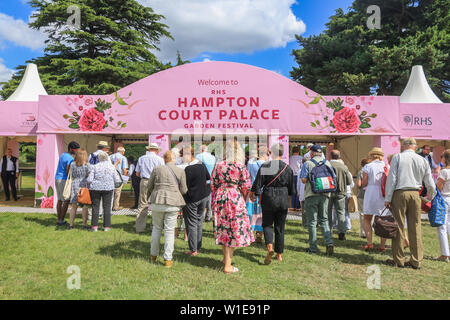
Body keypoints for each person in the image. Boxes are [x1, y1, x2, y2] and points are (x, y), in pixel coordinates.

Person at [385, 138, 436, 269]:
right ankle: (416, 261)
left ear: (404, 146)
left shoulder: (398, 157)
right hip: (415, 193)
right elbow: (429, 181)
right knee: (415, 227)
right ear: (415, 147)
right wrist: (430, 196)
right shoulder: (423, 160)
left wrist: (388, 198)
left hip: (400, 193)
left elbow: (392, 178)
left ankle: (399, 259)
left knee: (398, 226)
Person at [211, 139, 254, 274]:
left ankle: (225, 259)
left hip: (221, 196)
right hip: (235, 197)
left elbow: (213, 184)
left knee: (224, 228)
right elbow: (246, 186)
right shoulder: (240, 166)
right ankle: (228, 266)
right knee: (233, 229)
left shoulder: (218, 165)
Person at [250, 143, 295, 264]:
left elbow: (257, 183)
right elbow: (292, 189)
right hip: (283, 198)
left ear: (272, 153)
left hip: (268, 197)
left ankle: (270, 247)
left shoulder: (266, 166)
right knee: (280, 227)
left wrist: (253, 194)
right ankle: (279, 254)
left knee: (267, 224)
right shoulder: (288, 168)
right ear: (282, 153)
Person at [149, 150, 188, 268]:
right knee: (170, 231)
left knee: (156, 228)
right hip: (173, 202)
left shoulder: (157, 169)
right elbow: (184, 190)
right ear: (174, 159)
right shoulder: (180, 171)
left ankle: (153, 255)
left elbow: (150, 186)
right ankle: (168, 259)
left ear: (164, 159)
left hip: (157, 201)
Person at [299, 144, 335, 255]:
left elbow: (303, 180)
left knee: (312, 222)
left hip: (311, 194)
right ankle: (329, 242)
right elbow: (333, 177)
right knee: (324, 219)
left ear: (311, 153)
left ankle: (313, 247)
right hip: (325, 194)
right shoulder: (328, 163)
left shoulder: (308, 163)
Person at [183, 146, 211, 256]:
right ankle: (198, 247)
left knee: (191, 223)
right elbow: (207, 178)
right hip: (203, 196)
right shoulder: (202, 165)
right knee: (199, 221)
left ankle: (193, 249)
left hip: (192, 199)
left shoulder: (188, 169)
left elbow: (184, 186)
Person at [360, 148, 389, 251]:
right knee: (383, 219)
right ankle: (382, 245)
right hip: (383, 193)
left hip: (371, 192)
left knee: (367, 218)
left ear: (371, 156)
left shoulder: (368, 166)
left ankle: (369, 243)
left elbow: (364, 183)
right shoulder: (386, 166)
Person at [87, 151, 121, 232]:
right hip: (108, 188)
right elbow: (117, 179)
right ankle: (106, 227)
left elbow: (89, 179)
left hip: (95, 188)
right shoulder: (112, 167)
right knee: (107, 207)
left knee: (95, 207)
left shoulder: (95, 167)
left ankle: (94, 227)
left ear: (99, 158)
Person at [135, 143, 164, 233]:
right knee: (156, 204)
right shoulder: (160, 159)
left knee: (142, 204)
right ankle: (154, 226)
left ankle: (140, 228)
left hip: (144, 181)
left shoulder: (141, 158)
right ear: (156, 150)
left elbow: (137, 173)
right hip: (156, 182)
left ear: (149, 149)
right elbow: (162, 173)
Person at [328, 150, 352, 240]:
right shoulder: (344, 166)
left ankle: (328, 231)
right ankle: (342, 233)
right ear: (339, 156)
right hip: (341, 192)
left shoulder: (327, 165)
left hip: (329, 191)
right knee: (341, 212)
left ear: (330, 156)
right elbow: (349, 181)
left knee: (328, 212)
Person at [246, 146, 269, 242]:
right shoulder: (267, 164)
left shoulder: (251, 163)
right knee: (262, 213)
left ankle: (250, 234)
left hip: (252, 189)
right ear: (265, 154)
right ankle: (259, 234)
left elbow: (248, 175)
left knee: (251, 213)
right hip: (263, 191)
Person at [55, 141, 79, 226]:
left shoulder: (63, 155)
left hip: (57, 178)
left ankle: (59, 219)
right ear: (71, 149)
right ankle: (61, 220)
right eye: (75, 150)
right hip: (64, 180)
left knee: (60, 200)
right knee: (66, 200)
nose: (76, 151)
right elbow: (68, 170)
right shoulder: (70, 158)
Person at [68, 149, 91, 229]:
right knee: (85, 206)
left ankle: (71, 224)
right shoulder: (87, 165)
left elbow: (72, 175)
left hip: (75, 184)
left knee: (73, 207)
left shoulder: (73, 164)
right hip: (84, 185)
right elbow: (89, 175)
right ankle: (84, 224)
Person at [88, 141, 111, 219]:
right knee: (104, 200)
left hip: (93, 178)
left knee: (94, 200)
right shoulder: (106, 155)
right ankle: (101, 214)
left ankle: (91, 215)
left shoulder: (91, 155)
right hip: (104, 179)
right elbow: (109, 167)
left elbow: (89, 166)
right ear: (104, 148)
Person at [435, 149, 450, 262]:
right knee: (448, 225)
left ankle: (445, 254)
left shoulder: (444, 172)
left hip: (444, 199)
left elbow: (438, 187)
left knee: (442, 227)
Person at [196, 144, 217, 222]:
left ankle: (200, 215)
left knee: (200, 197)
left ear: (201, 150)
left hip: (201, 179)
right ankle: (208, 216)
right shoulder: (213, 157)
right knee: (209, 197)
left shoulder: (198, 156)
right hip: (211, 179)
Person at [297, 143, 314, 225]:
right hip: (309, 191)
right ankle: (312, 221)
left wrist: (298, 192)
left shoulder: (300, 171)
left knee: (304, 208)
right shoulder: (312, 169)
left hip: (302, 191)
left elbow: (298, 183)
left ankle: (305, 222)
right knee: (310, 207)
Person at [110, 146, 128, 211]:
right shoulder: (123, 158)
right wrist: (125, 178)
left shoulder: (111, 156)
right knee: (117, 192)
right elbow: (124, 169)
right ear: (122, 152)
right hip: (118, 177)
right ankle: (115, 206)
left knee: (111, 192)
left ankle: (110, 206)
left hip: (110, 176)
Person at [356, 158, 371, 238]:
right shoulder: (372, 171)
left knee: (362, 214)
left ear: (362, 165)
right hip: (372, 194)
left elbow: (358, 184)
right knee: (371, 213)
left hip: (362, 194)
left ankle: (363, 232)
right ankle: (370, 230)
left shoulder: (361, 172)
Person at [289, 146, 303, 211]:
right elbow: (302, 167)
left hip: (291, 175)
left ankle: (292, 206)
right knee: (298, 191)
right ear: (298, 151)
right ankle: (297, 206)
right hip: (298, 175)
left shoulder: (290, 158)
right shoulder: (301, 158)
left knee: (292, 191)